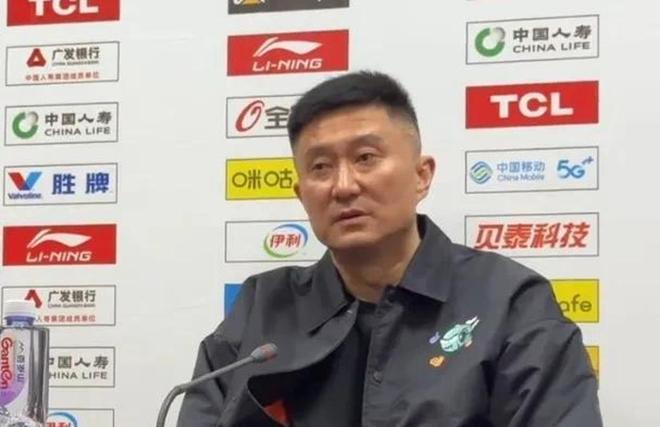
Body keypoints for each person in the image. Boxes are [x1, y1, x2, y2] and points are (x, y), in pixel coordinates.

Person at [177, 71, 602, 426]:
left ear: (421, 175)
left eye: (365, 158)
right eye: (321, 167)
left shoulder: (509, 302)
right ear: (301, 194)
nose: (344, 186)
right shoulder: (263, 307)